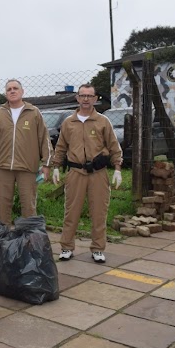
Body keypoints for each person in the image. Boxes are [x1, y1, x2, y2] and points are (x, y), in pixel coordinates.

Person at [51, 84, 123, 263]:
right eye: (82, 95)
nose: (85, 99)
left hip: (98, 173)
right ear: (77, 98)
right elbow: (60, 147)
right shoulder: (68, 122)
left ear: (95, 99)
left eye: (89, 96)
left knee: (99, 212)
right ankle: (67, 247)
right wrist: (55, 167)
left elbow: (114, 146)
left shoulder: (102, 121)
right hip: (75, 172)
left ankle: (98, 248)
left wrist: (118, 169)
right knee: (71, 212)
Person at [0, 79, 52, 225]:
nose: (12, 91)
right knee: (2, 206)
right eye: (9, 89)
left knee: (29, 207)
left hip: (27, 168)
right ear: (6, 94)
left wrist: (47, 164)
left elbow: (44, 139)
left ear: (22, 91)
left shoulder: (34, 113)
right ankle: (4, 239)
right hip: (3, 167)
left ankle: (29, 240)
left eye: (15, 88)